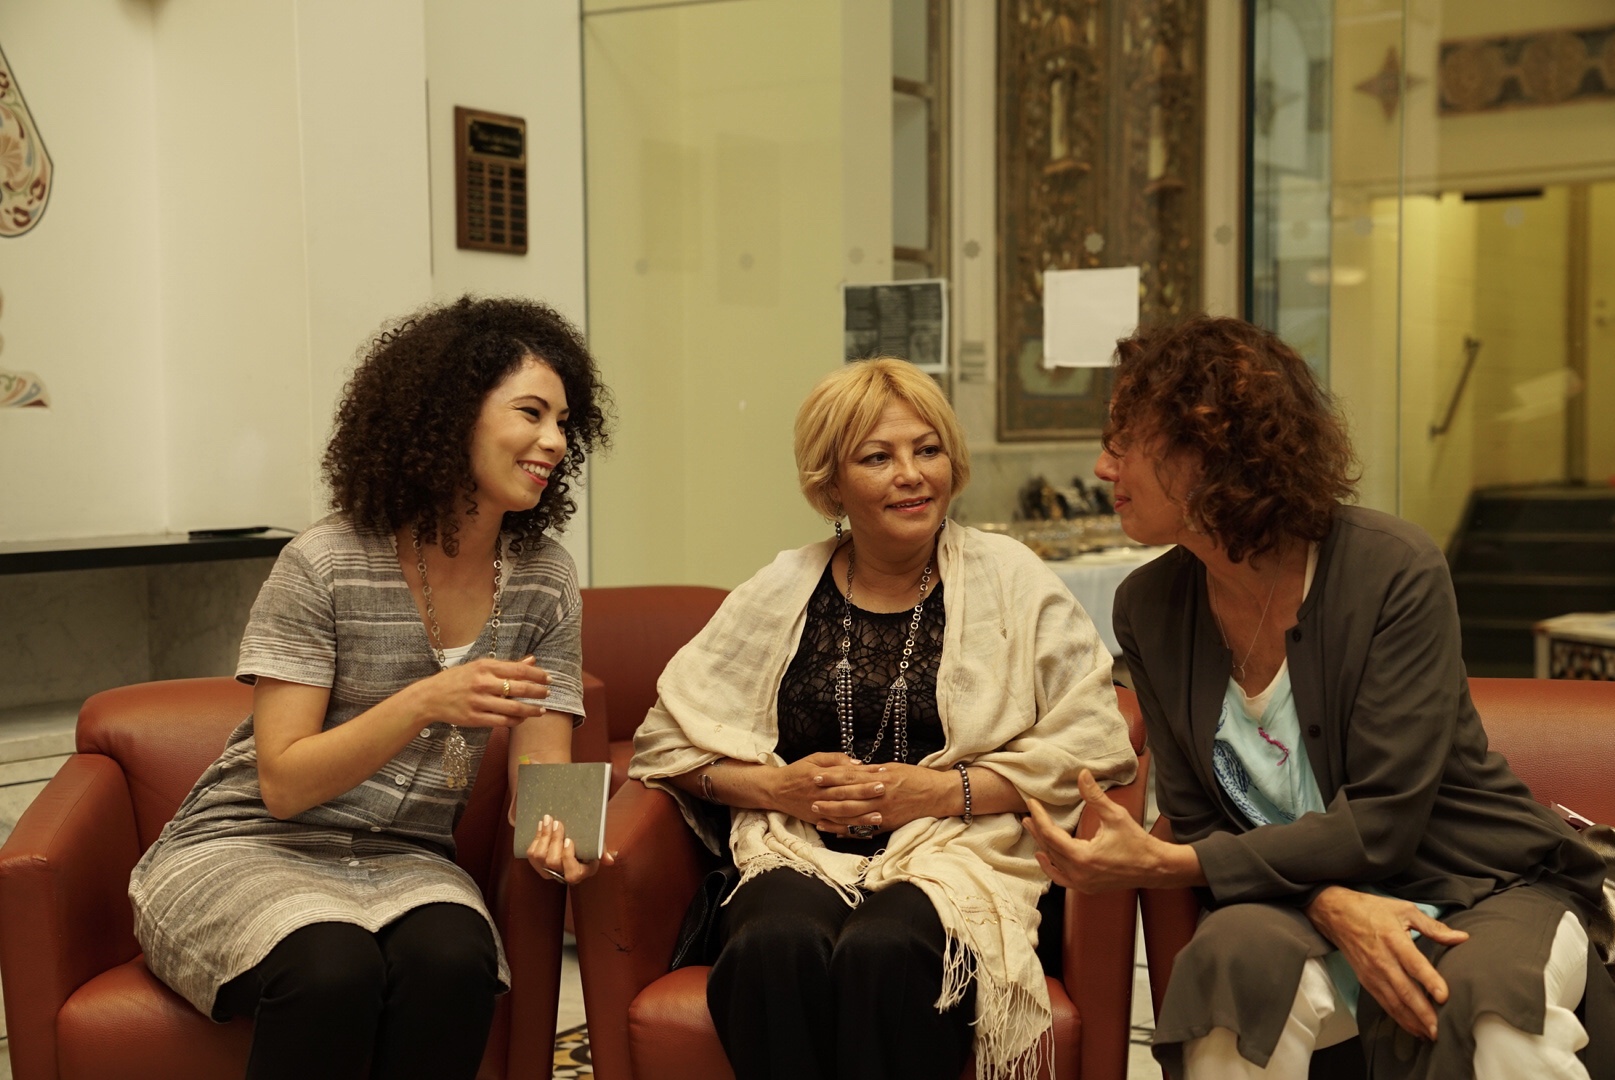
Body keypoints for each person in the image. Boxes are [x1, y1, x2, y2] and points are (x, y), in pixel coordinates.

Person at [1024, 315, 1615, 1079]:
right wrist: (1328, 903)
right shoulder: (1149, 605)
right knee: (1228, 969)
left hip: (1475, 882)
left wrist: (1173, 864)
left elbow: (1381, 824)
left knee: (1495, 1017)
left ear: (1207, 451)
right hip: (1294, 904)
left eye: (1122, 441)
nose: (1103, 468)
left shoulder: (1391, 569)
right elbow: (1203, 820)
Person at [128, 295, 613, 1080]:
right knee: (332, 971)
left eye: (565, 421)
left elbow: (543, 769)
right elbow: (283, 784)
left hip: (404, 856)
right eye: (531, 412)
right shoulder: (324, 561)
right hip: (249, 845)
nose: (554, 441)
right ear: (450, 414)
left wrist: (559, 836)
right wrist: (426, 700)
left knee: (456, 965)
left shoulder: (545, 578)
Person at [630, 358, 1137, 1080]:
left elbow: (1091, 742)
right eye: (878, 457)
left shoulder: (1013, 579)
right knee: (773, 941)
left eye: (926, 450)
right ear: (830, 484)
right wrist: (777, 790)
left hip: (961, 853)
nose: (911, 474)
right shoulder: (779, 590)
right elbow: (669, 743)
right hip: (795, 845)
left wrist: (941, 792)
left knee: (883, 950)